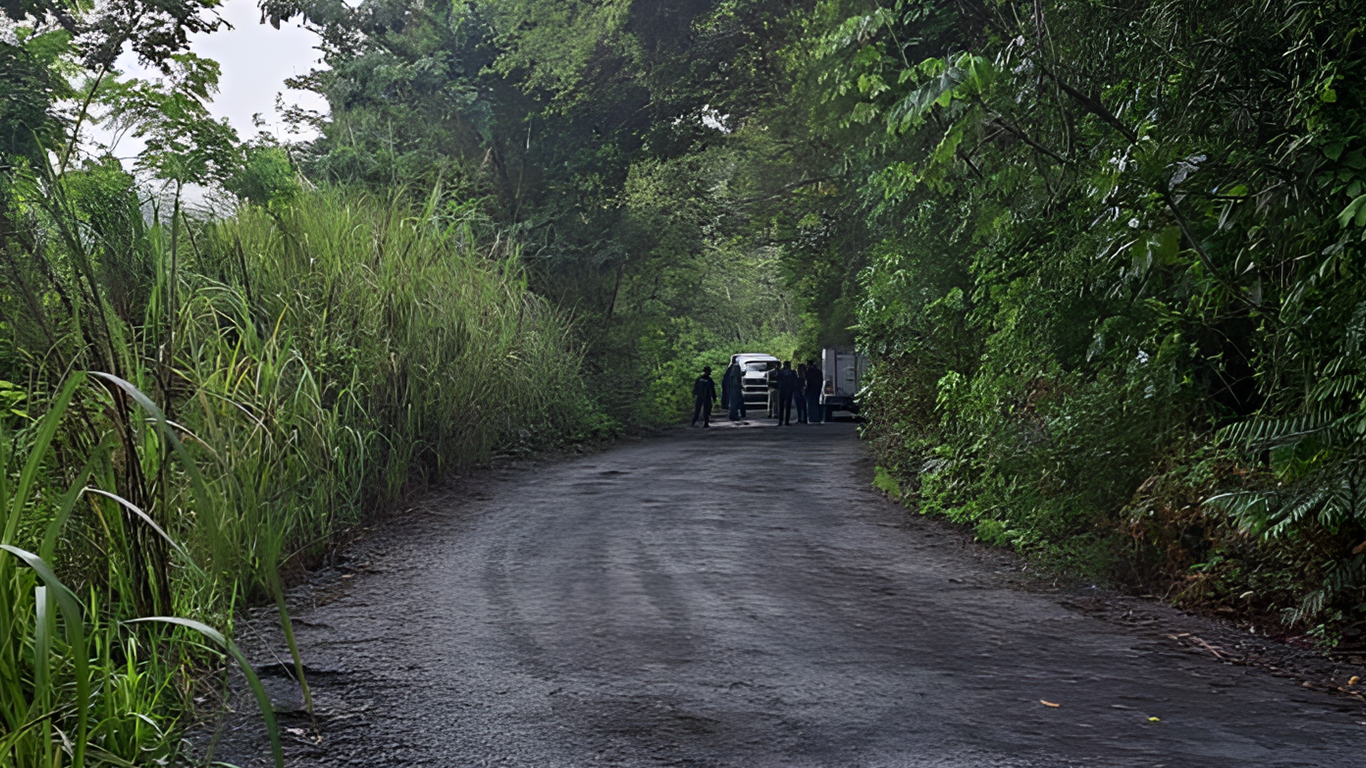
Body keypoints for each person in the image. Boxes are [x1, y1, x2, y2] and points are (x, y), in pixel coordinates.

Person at [775, 360, 801, 426]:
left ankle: (781, 421)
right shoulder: (792, 373)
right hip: (789, 390)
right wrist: (795, 389)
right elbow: (795, 381)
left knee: (781, 406)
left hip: (782, 390)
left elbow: (777, 378)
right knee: (787, 406)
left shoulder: (781, 372)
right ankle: (786, 421)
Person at [804, 359, 824, 424]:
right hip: (817, 389)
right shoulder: (818, 372)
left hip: (810, 390)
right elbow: (821, 381)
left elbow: (807, 382)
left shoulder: (808, 372)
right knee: (816, 403)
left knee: (810, 404)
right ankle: (817, 418)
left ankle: (811, 418)